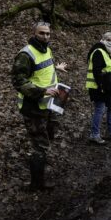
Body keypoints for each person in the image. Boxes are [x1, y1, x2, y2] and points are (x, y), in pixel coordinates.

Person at [12, 21, 68, 191]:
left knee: (47, 139)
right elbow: (18, 81)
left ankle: (39, 166)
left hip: (49, 105)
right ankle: (36, 185)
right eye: (41, 33)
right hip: (33, 107)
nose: (45, 36)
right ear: (34, 33)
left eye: (48, 33)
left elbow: (43, 70)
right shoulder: (25, 54)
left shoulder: (47, 49)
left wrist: (56, 68)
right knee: (40, 146)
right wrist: (43, 91)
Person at [86, 31, 111, 144]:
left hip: (108, 86)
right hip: (98, 87)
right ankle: (94, 135)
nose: (110, 43)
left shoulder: (108, 53)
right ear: (103, 39)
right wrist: (101, 86)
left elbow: (107, 69)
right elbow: (97, 71)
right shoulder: (99, 51)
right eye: (108, 40)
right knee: (100, 110)